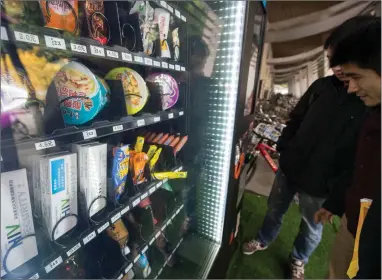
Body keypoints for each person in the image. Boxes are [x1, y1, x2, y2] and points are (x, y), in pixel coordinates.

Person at [242, 18, 369, 280]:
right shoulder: (320, 87)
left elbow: (358, 156)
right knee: (275, 208)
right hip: (291, 166)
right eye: (331, 61)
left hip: (322, 183)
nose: (336, 68)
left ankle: (298, 259)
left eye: (340, 60)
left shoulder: (366, 102)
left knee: (312, 227)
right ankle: (264, 239)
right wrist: (285, 147)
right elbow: (296, 119)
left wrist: (336, 189)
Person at [314, 17, 381, 279]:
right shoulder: (372, 113)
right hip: (353, 223)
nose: (351, 88)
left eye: (356, 77)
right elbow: (358, 167)